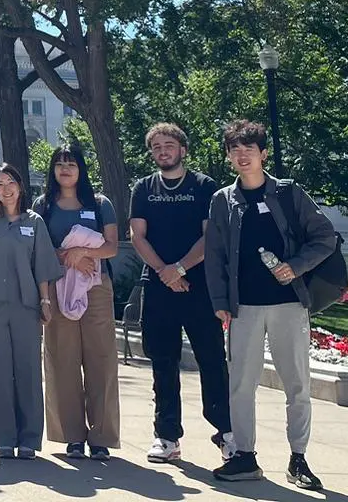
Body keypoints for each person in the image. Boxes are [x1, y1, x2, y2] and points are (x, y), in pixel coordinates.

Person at [207, 120, 336, 490]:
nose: (242, 155)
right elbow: (215, 256)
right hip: (242, 307)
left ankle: (299, 459)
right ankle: (244, 457)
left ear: (263, 154)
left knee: (297, 384)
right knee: (241, 386)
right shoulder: (222, 200)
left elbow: (324, 236)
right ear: (229, 156)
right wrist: (220, 302)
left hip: (288, 305)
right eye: (234, 149)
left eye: (249, 148)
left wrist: (295, 267)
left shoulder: (288, 193)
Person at [129, 122, 233, 465]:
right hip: (159, 287)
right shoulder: (143, 188)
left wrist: (181, 269)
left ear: (183, 149)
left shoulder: (204, 186)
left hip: (199, 286)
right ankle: (167, 436)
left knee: (212, 362)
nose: (163, 151)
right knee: (163, 363)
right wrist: (165, 272)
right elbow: (138, 236)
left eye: (169, 145)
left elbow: (210, 236)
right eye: (156, 146)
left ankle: (227, 434)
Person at [0, 162, 63, 459]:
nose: (6, 189)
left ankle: (30, 438)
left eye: (10, 182)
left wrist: (46, 301)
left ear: (20, 186)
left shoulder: (35, 223)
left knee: (28, 371)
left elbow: (42, 266)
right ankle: (3, 437)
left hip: (26, 306)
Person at [39, 143, 120, 460]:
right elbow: (40, 250)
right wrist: (69, 257)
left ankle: (100, 437)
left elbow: (112, 247)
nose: (65, 168)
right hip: (58, 286)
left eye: (71, 162)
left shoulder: (100, 204)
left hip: (96, 286)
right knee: (63, 360)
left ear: (81, 168)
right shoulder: (44, 205)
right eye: (59, 163)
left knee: (101, 360)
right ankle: (72, 436)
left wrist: (83, 253)